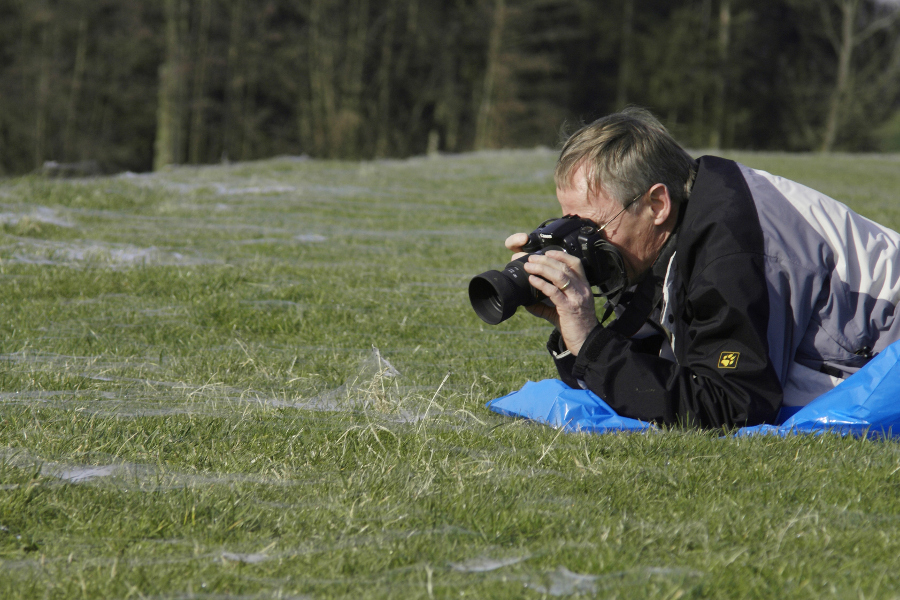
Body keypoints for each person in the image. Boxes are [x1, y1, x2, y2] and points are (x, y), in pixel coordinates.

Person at [505, 107, 900, 429]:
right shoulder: (683, 224)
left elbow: (732, 405)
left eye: (592, 227)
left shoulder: (731, 252)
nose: (583, 243)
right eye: (569, 223)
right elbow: (649, 368)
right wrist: (570, 328)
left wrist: (591, 340)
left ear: (657, 205)